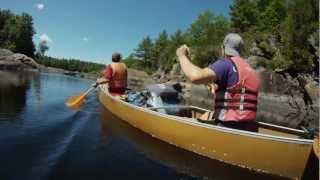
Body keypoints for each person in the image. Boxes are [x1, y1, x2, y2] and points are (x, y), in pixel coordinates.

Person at [176, 33, 259, 131]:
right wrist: (213, 85)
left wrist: (181, 55)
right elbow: (236, 92)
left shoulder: (226, 63)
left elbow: (194, 77)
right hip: (248, 128)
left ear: (223, 47)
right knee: (208, 115)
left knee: (190, 122)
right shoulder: (250, 70)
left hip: (227, 128)